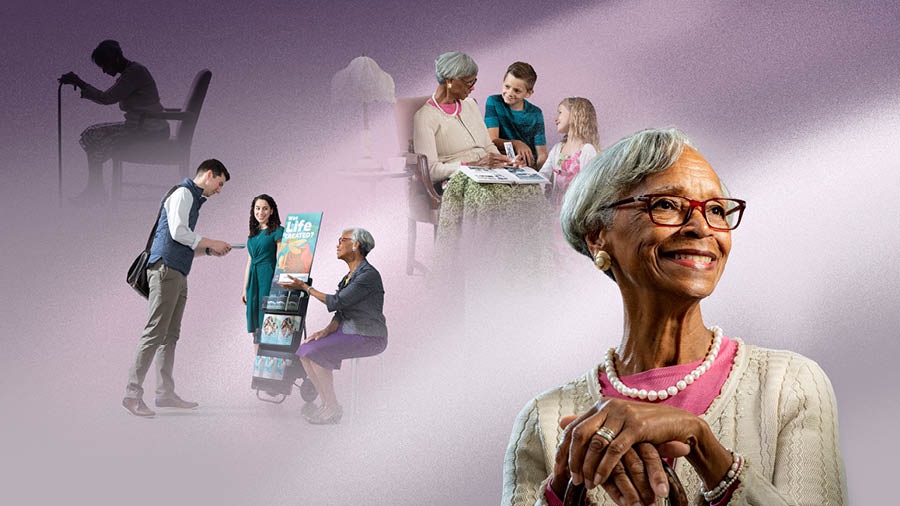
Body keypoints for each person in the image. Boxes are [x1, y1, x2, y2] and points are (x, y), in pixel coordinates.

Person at [502, 129, 847, 505]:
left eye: (716, 210)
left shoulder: (790, 386)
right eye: (667, 204)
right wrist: (564, 492)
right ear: (597, 235)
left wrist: (705, 448)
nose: (701, 227)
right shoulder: (547, 419)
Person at [122, 159, 233, 417]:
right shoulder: (183, 193)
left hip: (177, 272)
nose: (219, 190)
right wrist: (212, 241)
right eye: (219, 183)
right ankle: (132, 394)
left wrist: (207, 251)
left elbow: (180, 244)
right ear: (209, 174)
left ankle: (164, 393)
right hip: (165, 272)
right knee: (155, 331)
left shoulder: (192, 199)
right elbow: (179, 232)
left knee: (170, 335)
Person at [278, 228, 387, 425]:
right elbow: (341, 311)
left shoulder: (368, 275)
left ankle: (333, 407)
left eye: (342, 240)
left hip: (369, 336)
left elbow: (337, 301)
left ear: (356, 245)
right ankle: (328, 404)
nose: (337, 244)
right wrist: (325, 331)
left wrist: (305, 287)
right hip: (349, 332)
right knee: (304, 350)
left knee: (315, 351)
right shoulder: (349, 275)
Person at [58, 40, 169, 206]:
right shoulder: (129, 73)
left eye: (105, 65)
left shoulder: (134, 73)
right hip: (139, 126)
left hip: (149, 130)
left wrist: (79, 82)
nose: (103, 70)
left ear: (115, 58)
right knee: (91, 135)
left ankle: (96, 192)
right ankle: (95, 189)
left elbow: (106, 98)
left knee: (97, 141)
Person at [413, 51, 512, 190]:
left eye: (474, 81)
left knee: (529, 188)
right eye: (469, 82)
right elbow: (431, 170)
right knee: (494, 195)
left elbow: (488, 146)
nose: (473, 87)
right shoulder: (424, 117)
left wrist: (506, 162)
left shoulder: (470, 105)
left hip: (489, 174)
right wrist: (474, 165)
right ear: (449, 81)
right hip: (455, 180)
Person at [484, 62, 548, 168]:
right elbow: (492, 140)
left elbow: (542, 154)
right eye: (507, 86)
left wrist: (538, 174)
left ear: (528, 93)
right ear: (503, 82)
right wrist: (516, 143)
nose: (510, 93)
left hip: (527, 167)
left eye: (517, 91)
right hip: (504, 163)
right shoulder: (494, 102)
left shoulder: (536, 113)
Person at [539, 97, 599, 206]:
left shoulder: (587, 150)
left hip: (574, 212)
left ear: (574, 114)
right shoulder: (557, 149)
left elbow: (589, 188)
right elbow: (542, 177)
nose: (556, 118)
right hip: (554, 212)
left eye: (560, 113)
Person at [241, 194, 284, 344]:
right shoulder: (252, 235)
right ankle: (258, 365)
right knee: (256, 326)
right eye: (257, 208)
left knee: (266, 317)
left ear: (271, 211)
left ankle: (270, 361)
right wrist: (245, 288)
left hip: (268, 276)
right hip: (254, 279)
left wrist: (278, 282)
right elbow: (249, 262)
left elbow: (280, 258)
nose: (261, 212)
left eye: (265, 208)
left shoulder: (277, 231)